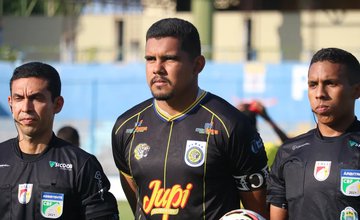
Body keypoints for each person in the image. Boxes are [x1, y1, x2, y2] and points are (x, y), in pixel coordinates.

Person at [112, 18, 269, 220]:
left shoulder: (230, 126)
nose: (157, 68)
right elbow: (139, 206)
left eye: (169, 58)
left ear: (197, 65)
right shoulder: (125, 127)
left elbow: (258, 213)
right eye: (150, 58)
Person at [2, 61, 119, 219]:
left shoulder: (81, 165)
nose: (26, 107)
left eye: (36, 98)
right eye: (18, 98)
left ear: (57, 104)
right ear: (10, 104)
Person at [267, 47, 360, 219]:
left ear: (356, 90)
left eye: (331, 83)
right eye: (313, 85)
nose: (319, 94)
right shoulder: (289, 151)